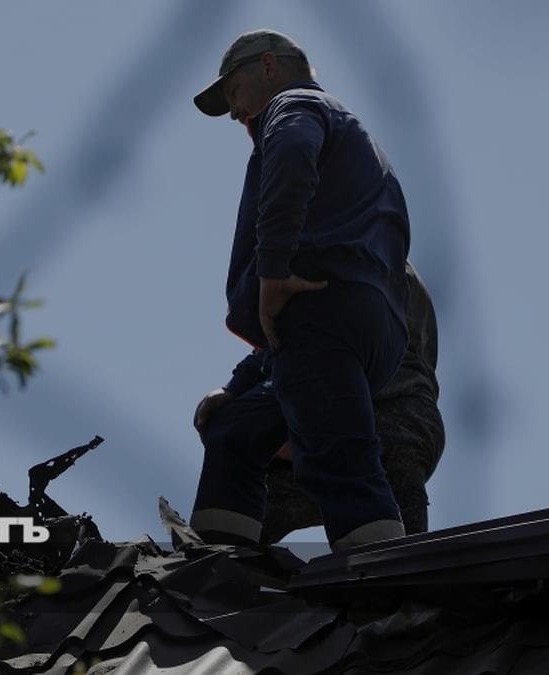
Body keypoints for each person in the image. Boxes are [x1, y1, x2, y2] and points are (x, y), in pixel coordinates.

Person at [189, 30, 417, 551]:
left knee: (337, 457)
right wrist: (238, 385)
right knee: (234, 429)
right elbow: (303, 317)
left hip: (322, 314)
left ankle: (381, 576)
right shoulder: (351, 137)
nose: (233, 112)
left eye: (233, 91)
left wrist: (271, 272)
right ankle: (219, 561)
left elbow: (292, 156)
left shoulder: (294, 107)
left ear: (269, 66)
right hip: (358, 324)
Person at [193, 262, 445, 545]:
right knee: (400, 522)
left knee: (243, 451)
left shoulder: (347, 259)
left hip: (381, 417)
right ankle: (407, 552)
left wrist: (238, 389)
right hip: (413, 426)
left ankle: (222, 550)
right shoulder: (382, 260)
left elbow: (305, 341)